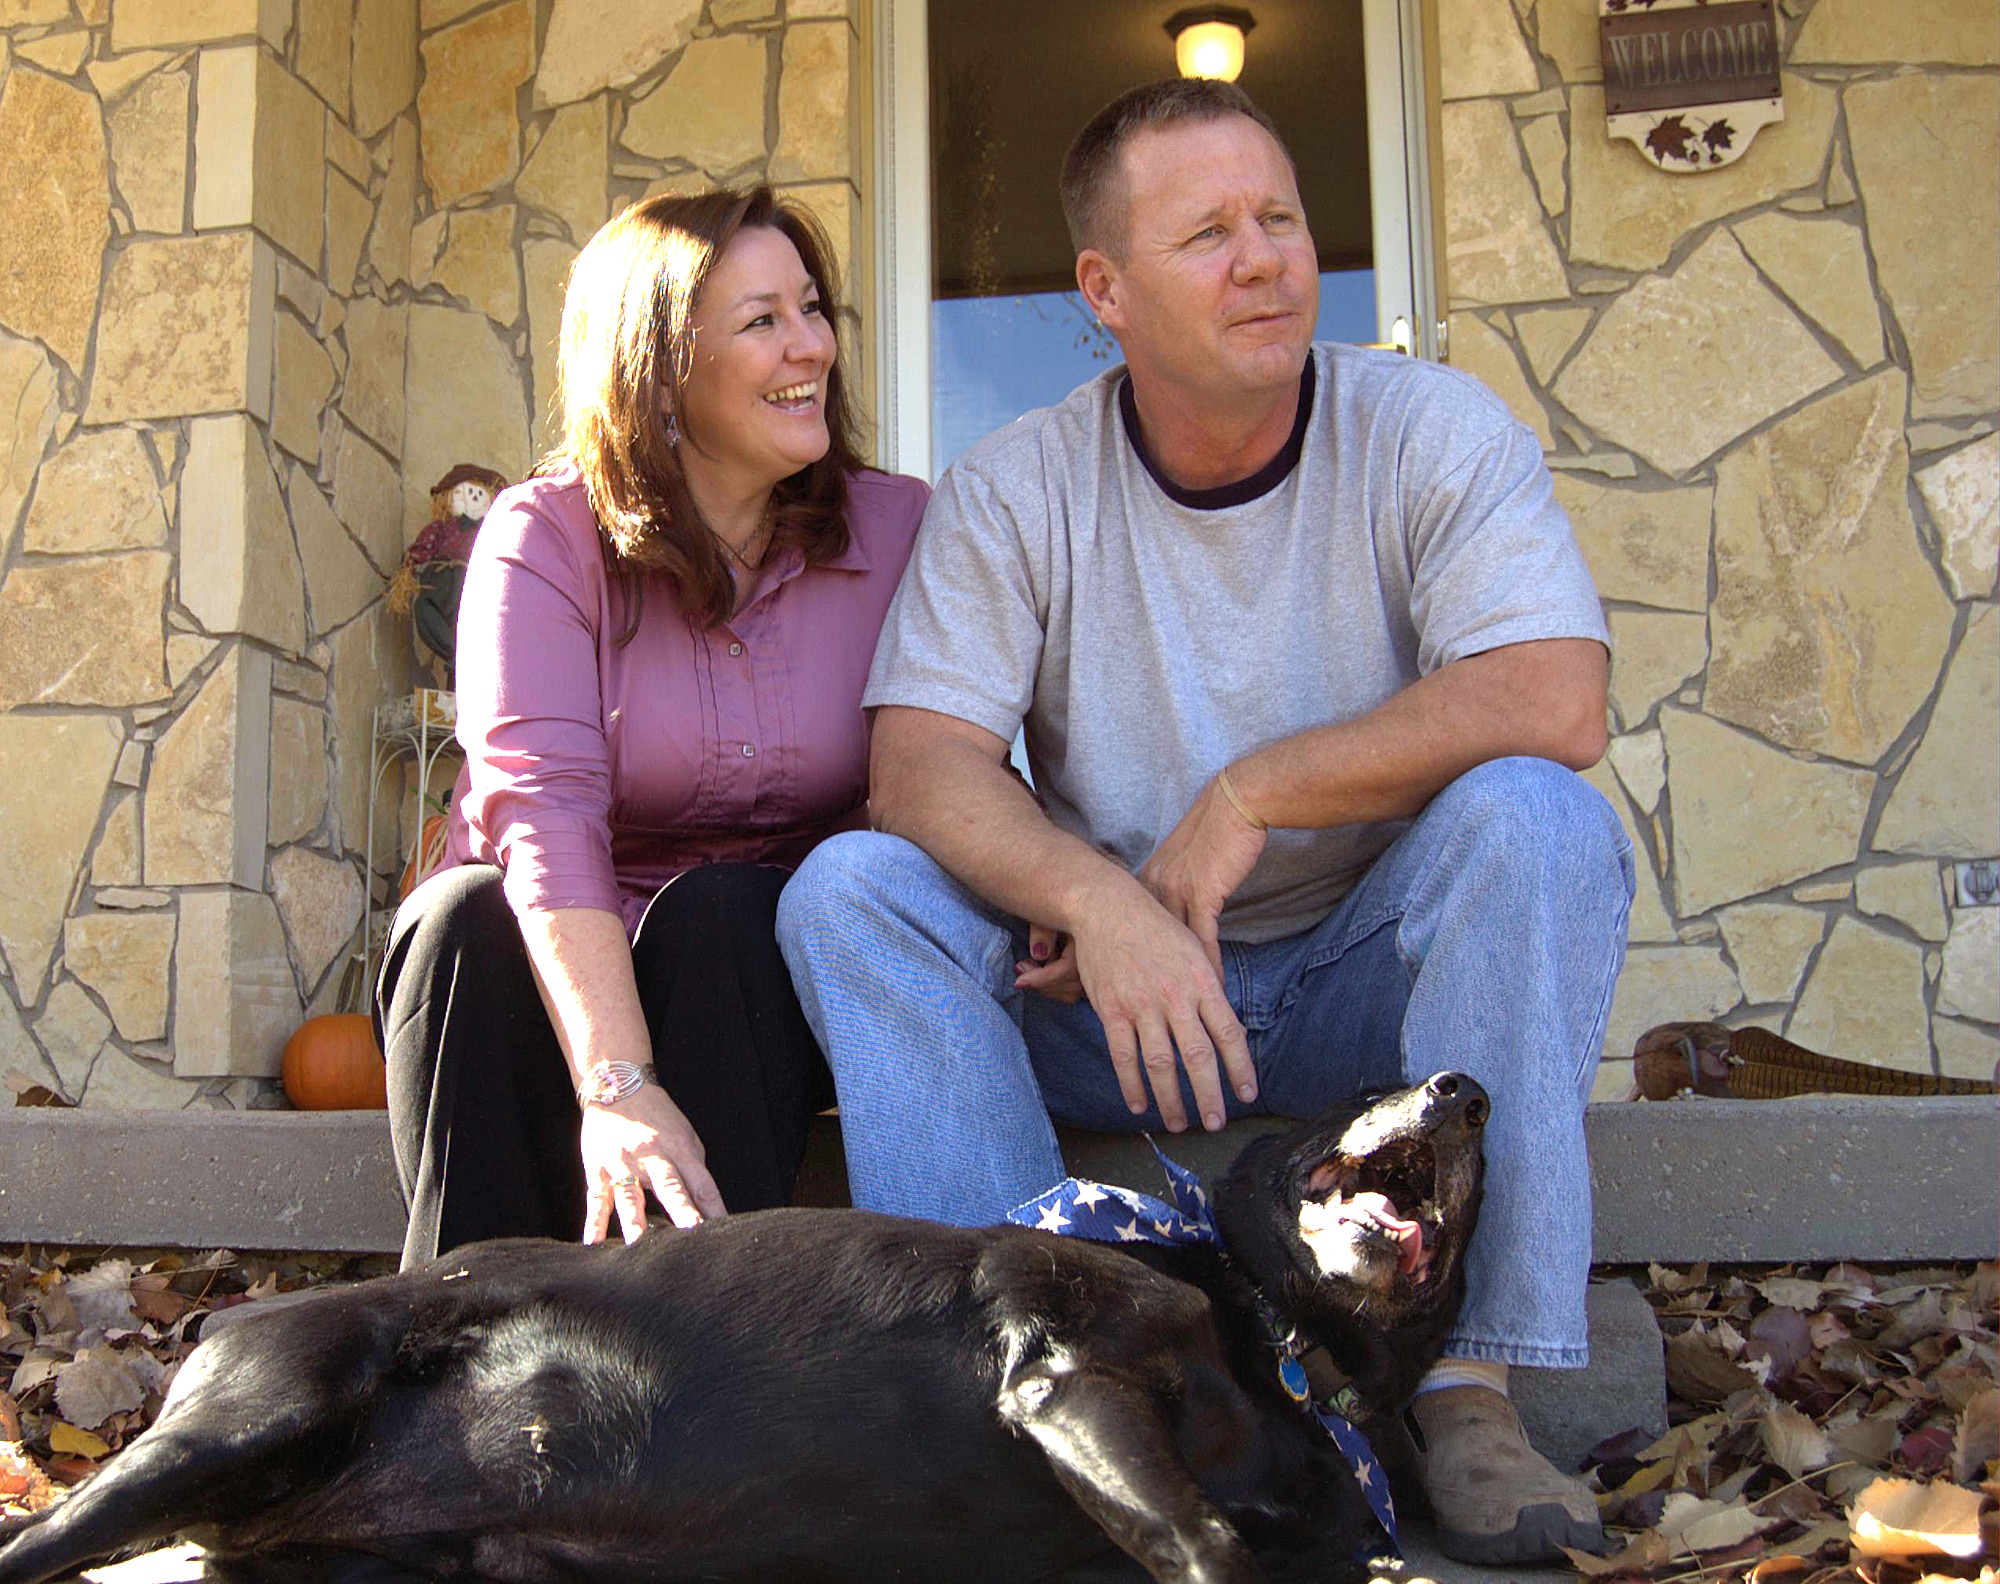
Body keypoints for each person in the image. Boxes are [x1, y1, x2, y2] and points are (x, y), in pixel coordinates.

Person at [776, 81, 1632, 1565]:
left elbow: (1558, 697)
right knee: (853, 890)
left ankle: (1467, 1389)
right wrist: (1102, 903)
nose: (1267, 259)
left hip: (1372, 980)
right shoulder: (1020, 485)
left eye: (1283, 219)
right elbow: (918, 768)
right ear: (1104, 291)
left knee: (1538, 819)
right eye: (1210, 232)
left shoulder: (1428, 429)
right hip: (1121, 999)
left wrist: (1253, 792)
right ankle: (1023, 1376)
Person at [376, 187, 928, 1269]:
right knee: (457, 917)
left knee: (726, 913)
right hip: (546, 978)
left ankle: (707, 1347)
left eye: (812, 310)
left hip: (747, 994)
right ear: (660, 369)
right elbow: (540, 810)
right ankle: (463, 1349)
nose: (809, 345)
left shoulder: (897, 529)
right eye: (762, 320)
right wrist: (617, 1086)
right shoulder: (544, 537)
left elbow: (951, 763)